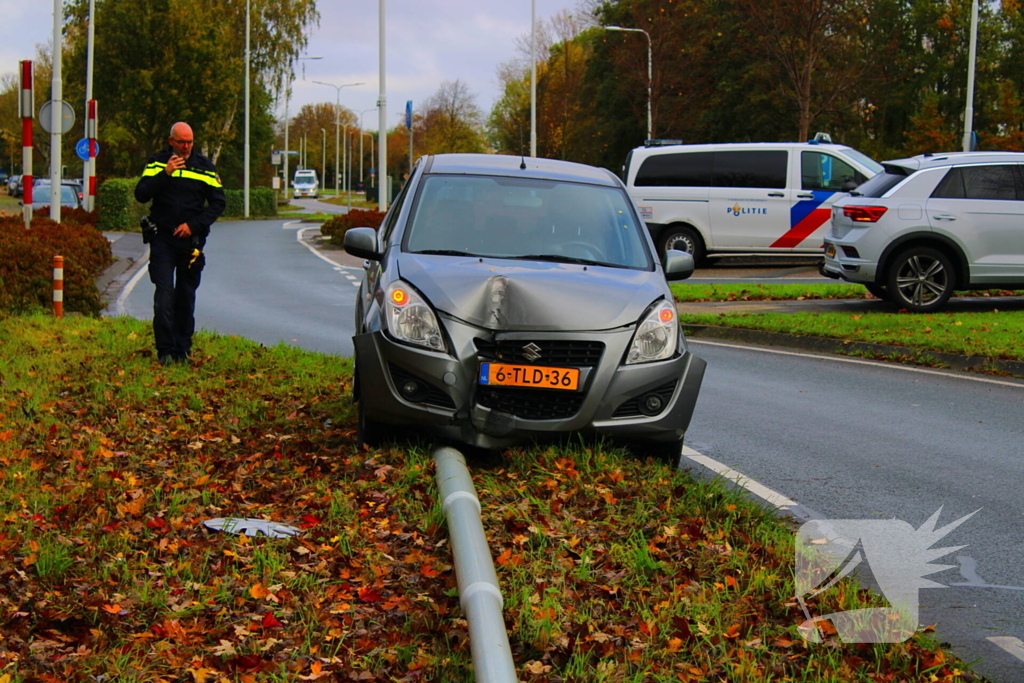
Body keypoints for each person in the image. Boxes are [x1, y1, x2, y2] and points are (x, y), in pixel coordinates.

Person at [134, 122, 226, 366]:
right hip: (163, 238)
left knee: (186, 296)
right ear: (171, 141)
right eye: (181, 142)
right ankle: (164, 351)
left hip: (192, 242)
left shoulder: (205, 167)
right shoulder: (157, 162)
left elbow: (218, 203)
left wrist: (193, 225)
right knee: (164, 295)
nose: (186, 147)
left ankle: (182, 350)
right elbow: (141, 194)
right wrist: (165, 173)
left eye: (190, 142)